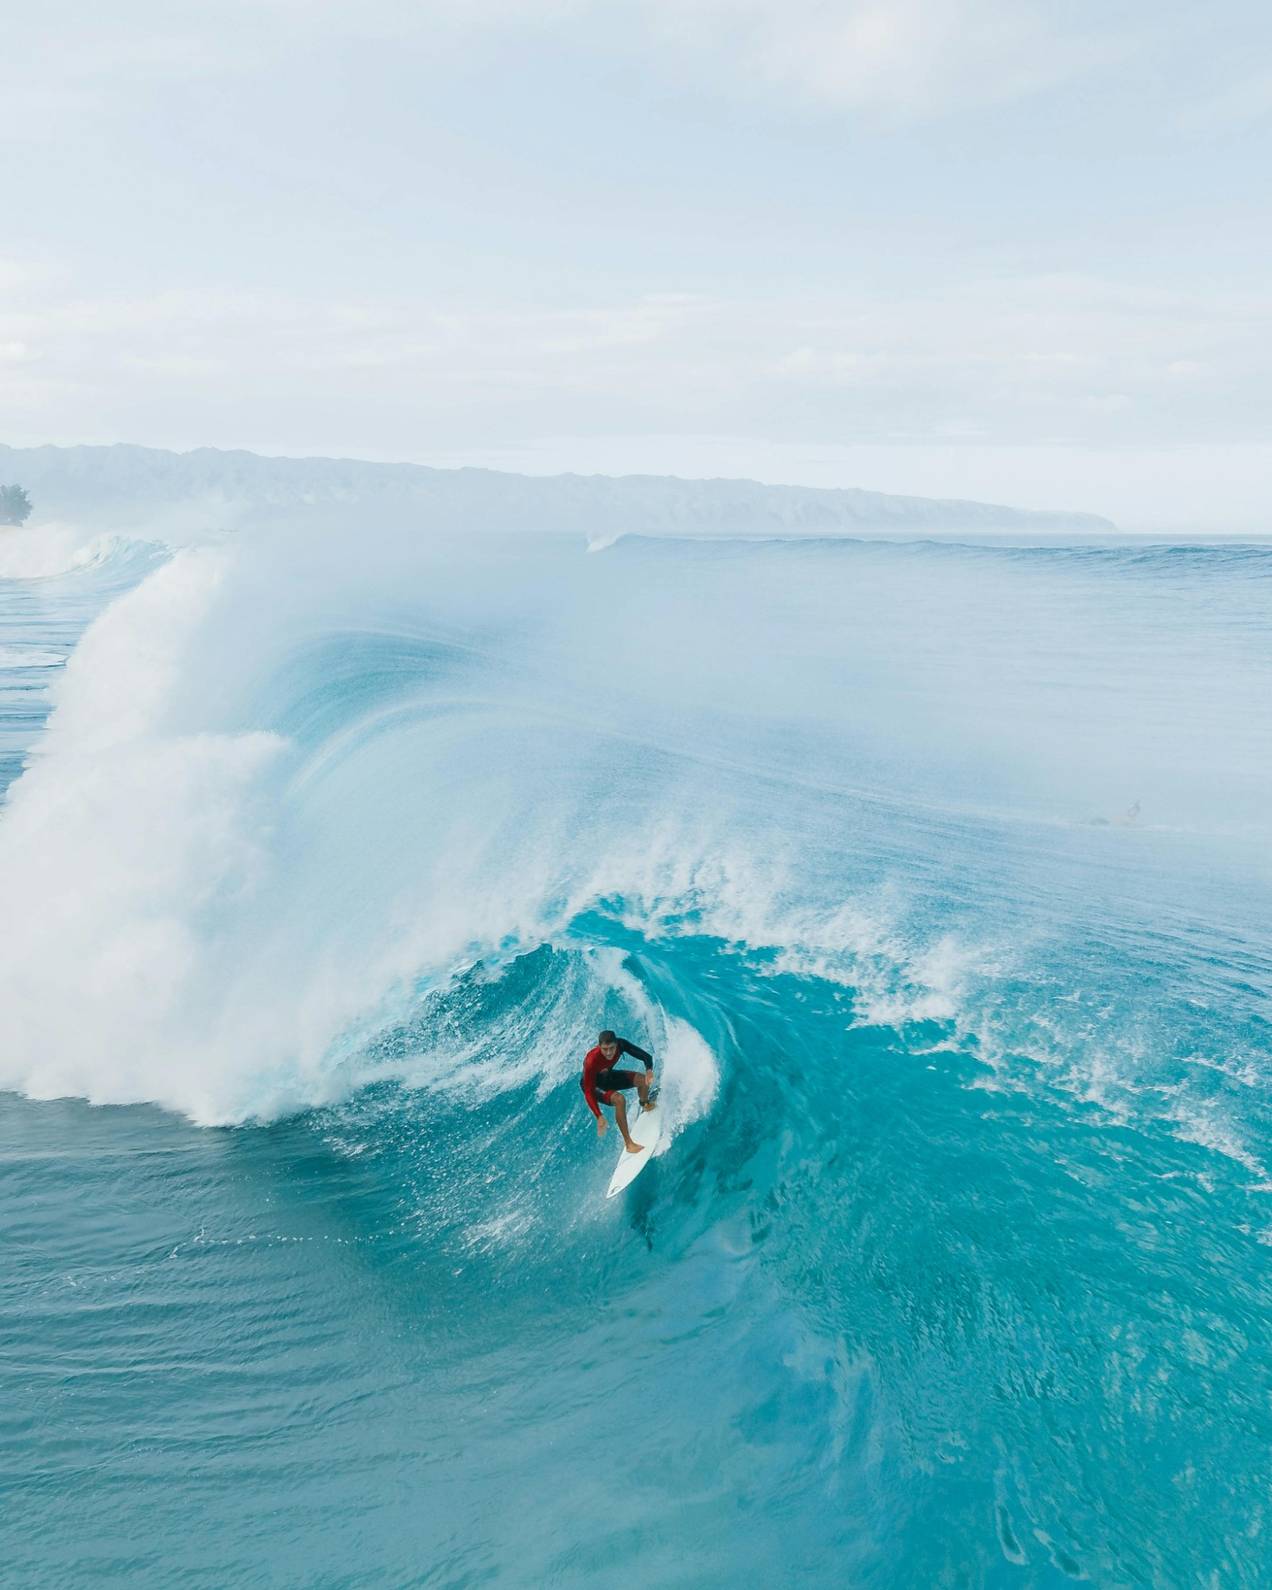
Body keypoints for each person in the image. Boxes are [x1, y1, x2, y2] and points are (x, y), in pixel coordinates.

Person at [580, 1029, 656, 1154]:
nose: (609, 1052)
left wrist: (649, 1070)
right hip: (593, 1086)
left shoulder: (621, 1045)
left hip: (608, 1077)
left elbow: (646, 1056)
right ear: (599, 1047)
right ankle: (629, 1144)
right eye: (605, 1049)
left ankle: (645, 1104)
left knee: (643, 1080)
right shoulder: (591, 1061)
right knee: (619, 1100)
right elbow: (588, 1091)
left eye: (612, 1048)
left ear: (616, 1044)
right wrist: (599, 1115)